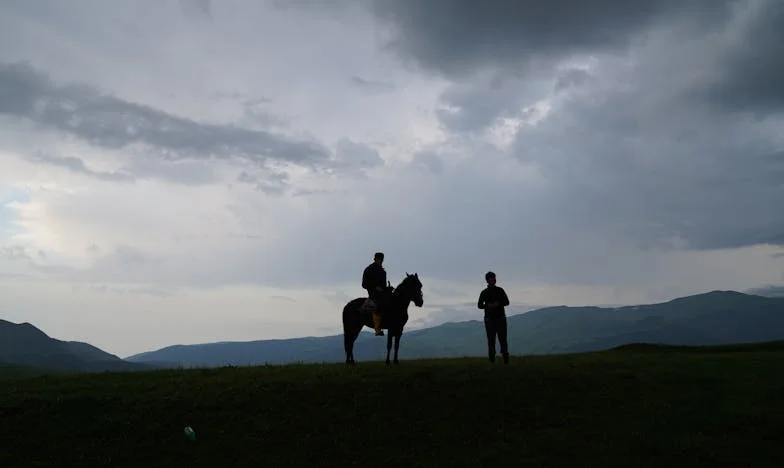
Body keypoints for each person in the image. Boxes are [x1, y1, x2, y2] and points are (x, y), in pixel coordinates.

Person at [477, 271, 510, 364]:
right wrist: (488, 306)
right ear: (487, 280)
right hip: (490, 319)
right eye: (491, 278)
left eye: (493, 278)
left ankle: (505, 360)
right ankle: (492, 360)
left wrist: (497, 303)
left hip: (500, 318)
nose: (493, 280)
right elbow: (479, 305)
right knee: (491, 340)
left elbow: (507, 302)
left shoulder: (500, 290)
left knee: (502, 339)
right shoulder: (484, 292)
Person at [362, 252, 388, 336]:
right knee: (377, 306)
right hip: (373, 293)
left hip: (383, 292)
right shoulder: (369, 269)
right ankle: (377, 329)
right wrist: (375, 287)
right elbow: (364, 284)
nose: (381, 261)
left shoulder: (383, 271)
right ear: (375, 259)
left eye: (382, 260)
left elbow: (384, 285)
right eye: (380, 259)